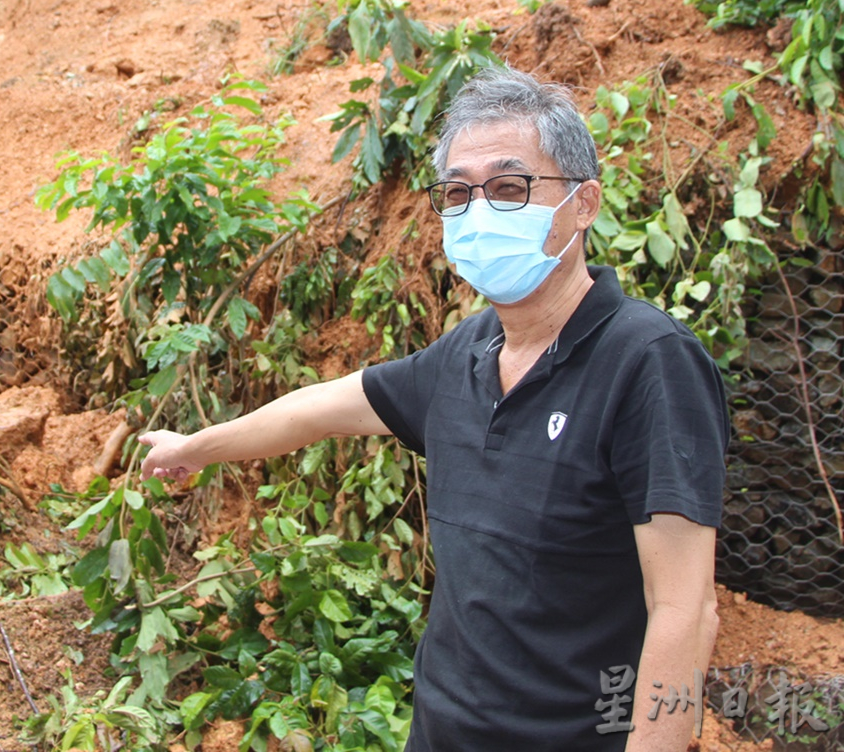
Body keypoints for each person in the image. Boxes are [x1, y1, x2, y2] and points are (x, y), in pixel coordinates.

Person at [140, 66, 729, 752]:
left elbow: (686, 610)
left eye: (510, 187)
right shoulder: (468, 354)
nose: (479, 212)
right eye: (457, 193)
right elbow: (321, 409)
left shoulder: (648, 361)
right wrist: (196, 447)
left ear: (584, 203)